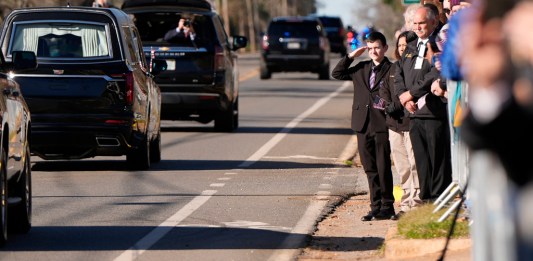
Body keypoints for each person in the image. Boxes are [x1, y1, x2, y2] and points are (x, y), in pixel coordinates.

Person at [332, 32, 397, 221]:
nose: (374, 51)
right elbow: (337, 73)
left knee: (383, 165)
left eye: (377, 47)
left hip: (382, 123)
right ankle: (375, 206)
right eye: (370, 48)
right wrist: (352, 56)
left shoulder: (392, 69)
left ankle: (387, 206)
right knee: (369, 167)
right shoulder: (361, 68)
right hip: (362, 124)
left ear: (385, 48)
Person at [394, 6, 452, 202]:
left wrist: (412, 93)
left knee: (438, 159)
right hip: (414, 113)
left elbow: (435, 73)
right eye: (415, 23)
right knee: (422, 161)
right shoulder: (410, 46)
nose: (417, 27)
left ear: (433, 22)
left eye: (422, 23)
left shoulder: (439, 44)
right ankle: (425, 200)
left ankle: (438, 200)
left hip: (434, 111)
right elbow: (399, 74)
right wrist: (403, 96)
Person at [381, 30, 421, 216]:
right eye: (400, 45)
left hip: (410, 121)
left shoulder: (417, 66)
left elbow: (410, 90)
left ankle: (417, 201)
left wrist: (397, 105)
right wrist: (389, 106)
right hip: (394, 124)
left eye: (406, 45)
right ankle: (405, 203)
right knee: (402, 166)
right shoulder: (393, 67)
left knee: (414, 165)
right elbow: (386, 90)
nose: (403, 49)